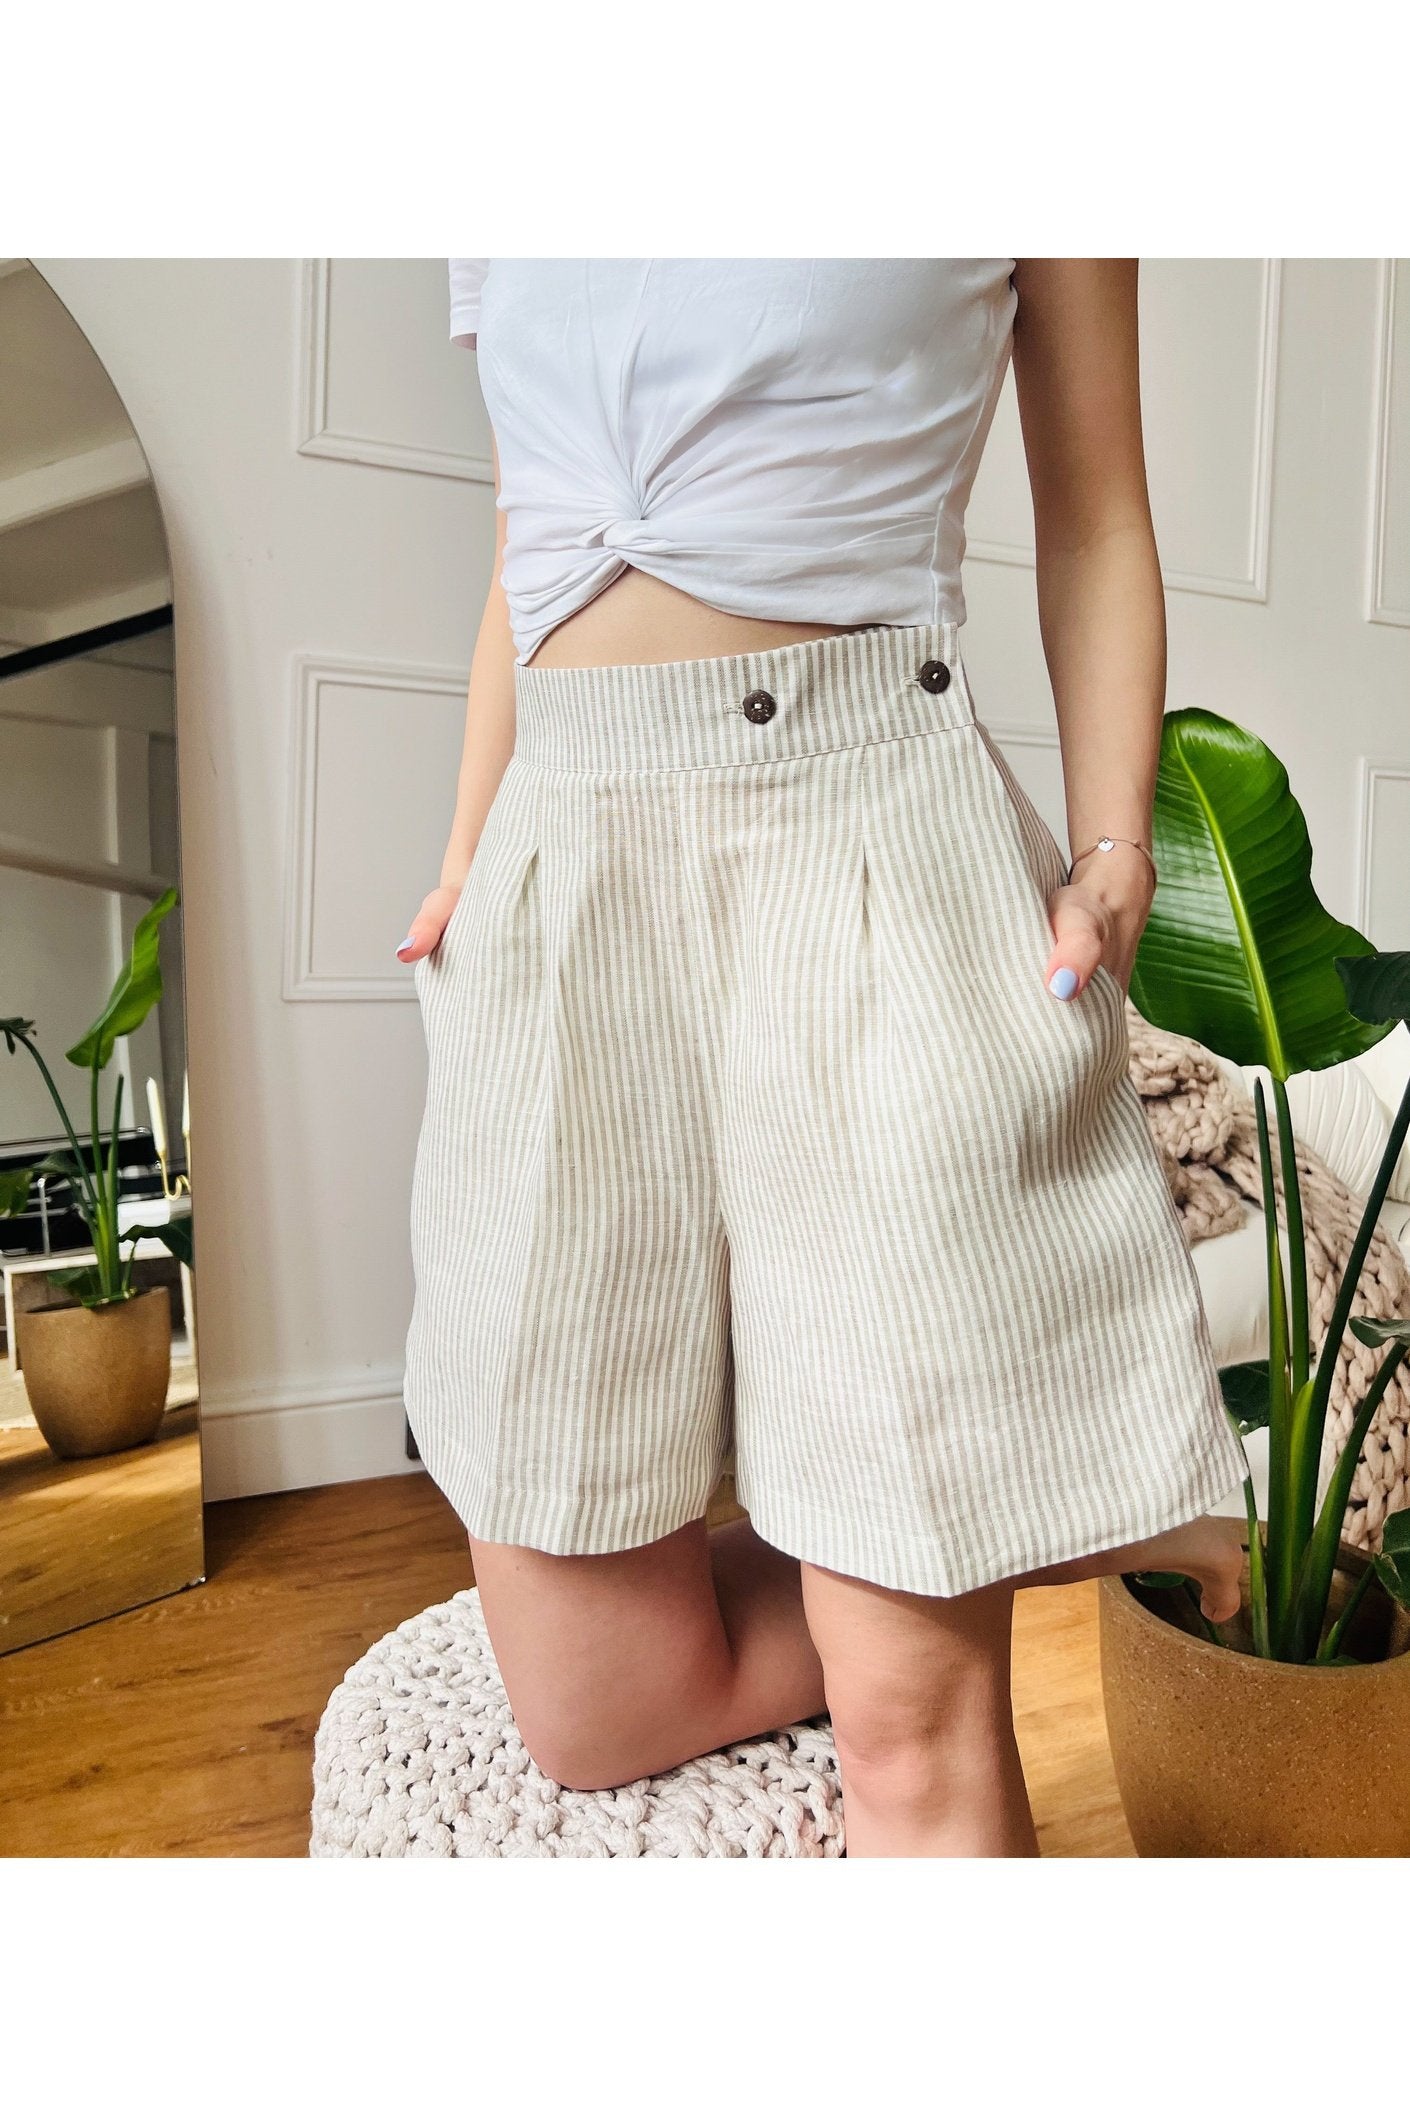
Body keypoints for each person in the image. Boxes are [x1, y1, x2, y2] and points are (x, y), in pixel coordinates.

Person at [398, 259, 1250, 1858]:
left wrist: (1112, 850)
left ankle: (958, 1540)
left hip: (864, 829)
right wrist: (466, 859)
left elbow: (1095, 513)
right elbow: (528, 540)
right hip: (567, 861)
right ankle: (1069, 1497)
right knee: (596, 1707)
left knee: (906, 1733)